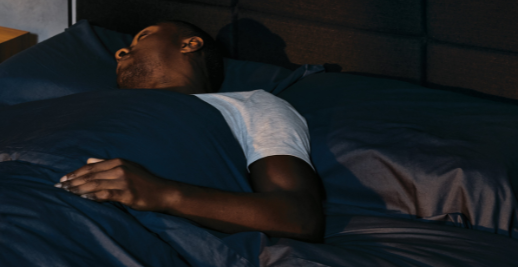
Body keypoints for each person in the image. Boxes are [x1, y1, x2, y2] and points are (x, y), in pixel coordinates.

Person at [55, 21, 325, 243]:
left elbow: (299, 217)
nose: (120, 52)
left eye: (143, 36)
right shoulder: (90, 103)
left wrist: (164, 194)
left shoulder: (249, 104)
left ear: (189, 44)